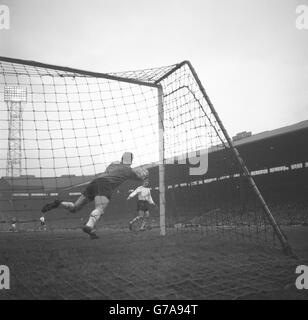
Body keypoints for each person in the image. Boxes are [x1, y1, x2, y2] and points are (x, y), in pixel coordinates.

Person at [41, 152, 148, 239]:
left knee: (74, 207)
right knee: (100, 208)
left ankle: (59, 203)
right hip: (105, 185)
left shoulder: (113, 164)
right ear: (131, 161)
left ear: (121, 158)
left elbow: (116, 166)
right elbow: (138, 178)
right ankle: (89, 226)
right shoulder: (129, 171)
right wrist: (144, 175)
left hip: (94, 183)